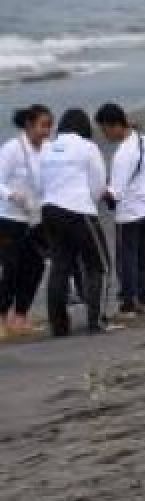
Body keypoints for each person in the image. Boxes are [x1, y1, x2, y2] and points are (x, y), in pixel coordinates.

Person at [37, 108, 110, 337]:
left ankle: (59, 326)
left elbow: (41, 183)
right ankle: (96, 321)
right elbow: (98, 184)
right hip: (78, 209)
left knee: (60, 266)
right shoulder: (87, 148)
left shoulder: (47, 149)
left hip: (49, 210)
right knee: (99, 266)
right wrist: (90, 203)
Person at [95, 102, 145, 318]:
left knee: (127, 257)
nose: (105, 134)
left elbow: (115, 192)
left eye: (105, 129)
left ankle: (129, 303)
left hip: (130, 211)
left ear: (116, 125)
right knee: (144, 255)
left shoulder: (122, 154)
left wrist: (100, 191)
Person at [0, 105, 52, 339]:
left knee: (35, 266)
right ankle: (1, 316)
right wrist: (11, 195)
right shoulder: (12, 149)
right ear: (29, 125)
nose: (47, 131)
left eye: (50, 125)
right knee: (10, 269)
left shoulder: (49, 149)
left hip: (35, 219)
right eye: (43, 125)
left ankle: (20, 316)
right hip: (9, 218)